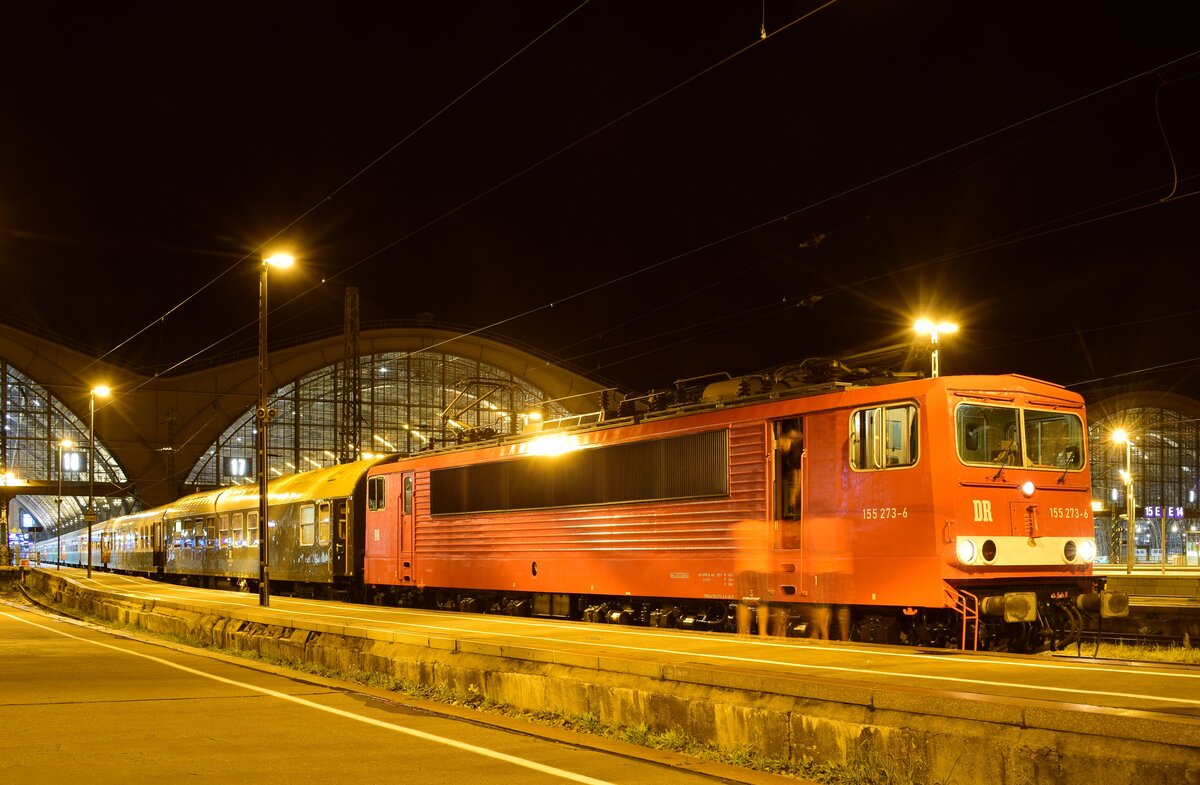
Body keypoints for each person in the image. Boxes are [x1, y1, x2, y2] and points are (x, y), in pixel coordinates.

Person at [778, 422, 803, 519]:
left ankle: (793, 509)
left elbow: (797, 476)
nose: (780, 449)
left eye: (781, 445)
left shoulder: (795, 452)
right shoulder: (793, 447)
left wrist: (792, 497)